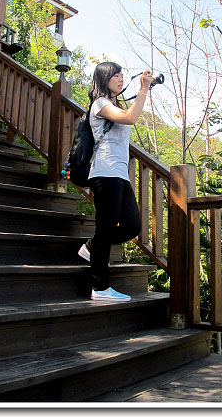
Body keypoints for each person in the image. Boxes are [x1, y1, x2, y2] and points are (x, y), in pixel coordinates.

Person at [77, 62, 154, 302]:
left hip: (119, 174)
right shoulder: (100, 104)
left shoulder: (114, 104)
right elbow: (131, 118)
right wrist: (143, 89)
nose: (121, 79)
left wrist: (144, 90)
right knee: (106, 228)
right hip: (104, 172)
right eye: (116, 75)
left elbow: (130, 115)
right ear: (104, 78)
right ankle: (99, 288)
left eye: (122, 75)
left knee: (132, 226)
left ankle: (91, 247)